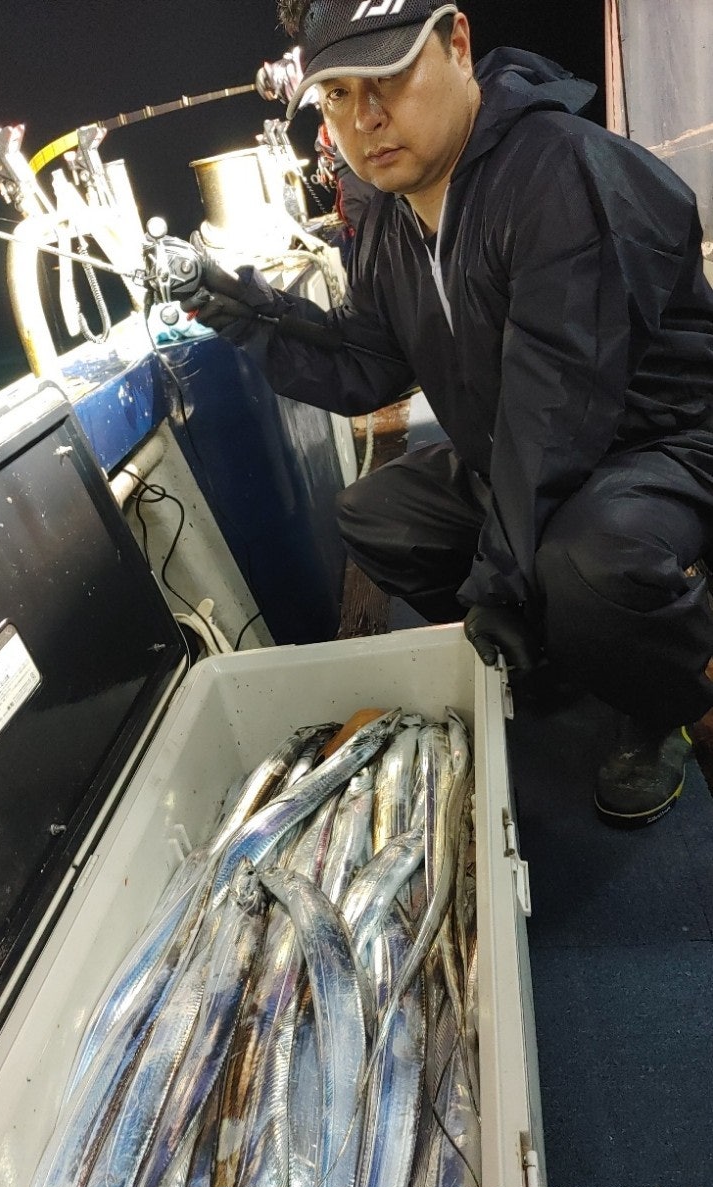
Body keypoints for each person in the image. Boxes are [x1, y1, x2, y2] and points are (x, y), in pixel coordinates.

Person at [192, 0, 713, 829]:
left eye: (389, 77)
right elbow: (367, 363)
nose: (364, 118)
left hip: (654, 442)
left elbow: (557, 410)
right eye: (337, 94)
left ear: (458, 45)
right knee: (376, 514)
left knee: (590, 564)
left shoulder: (560, 172)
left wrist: (497, 584)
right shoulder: (389, 213)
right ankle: (555, 657)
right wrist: (252, 317)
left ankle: (655, 707)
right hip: (519, 446)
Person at [255, 43, 375, 256]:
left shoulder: (304, 67)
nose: (280, 98)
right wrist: (325, 154)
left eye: (275, 93)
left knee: (357, 213)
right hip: (355, 165)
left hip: (359, 170)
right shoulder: (316, 87)